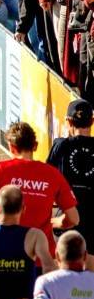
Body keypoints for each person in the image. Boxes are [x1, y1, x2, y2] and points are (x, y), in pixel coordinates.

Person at [0, 122, 79, 257]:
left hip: (8, 253)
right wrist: (57, 222)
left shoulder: (0, 169)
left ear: (11, 147)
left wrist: (2, 218)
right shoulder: (52, 174)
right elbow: (74, 218)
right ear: (35, 146)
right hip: (41, 256)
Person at [48, 98, 94, 247]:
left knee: (66, 258)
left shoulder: (61, 145)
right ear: (92, 121)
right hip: (91, 217)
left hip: (67, 215)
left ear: (68, 122)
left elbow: (46, 179)